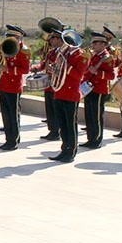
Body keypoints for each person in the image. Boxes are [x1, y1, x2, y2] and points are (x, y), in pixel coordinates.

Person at [48, 29, 88, 163]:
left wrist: (65, 65)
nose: (68, 44)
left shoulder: (82, 56)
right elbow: (58, 69)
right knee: (62, 124)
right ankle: (64, 149)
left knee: (70, 125)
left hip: (71, 93)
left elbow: (78, 74)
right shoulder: (62, 53)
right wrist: (54, 67)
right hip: (60, 92)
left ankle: (71, 151)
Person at [0, 25, 30, 150]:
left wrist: (8, 69)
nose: (8, 39)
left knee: (13, 115)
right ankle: (8, 139)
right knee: (5, 115)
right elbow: (1, 60)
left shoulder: (23, 50)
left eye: (11, 37)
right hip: (4, 84)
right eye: (7, 36)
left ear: (18, 37)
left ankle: (14, 140)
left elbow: (25, 69)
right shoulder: (4, 47)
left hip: (14, 86)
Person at [80, 32, 114, 149]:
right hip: (89, 89)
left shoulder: (107, 57)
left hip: (99, 89)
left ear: (103, 44)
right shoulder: (94, 56)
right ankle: (90, 138)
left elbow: (111, 76)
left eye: (95, 43)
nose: (93, 45)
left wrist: (97, 72)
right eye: (93, 42)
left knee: (97, 116)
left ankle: (97, 139)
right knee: (89, 115)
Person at [32, 29, 64, 141]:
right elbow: (44, 63)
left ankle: (57, 131)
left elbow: (64, 68)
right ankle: (52, 130)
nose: (51, 40)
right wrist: (36, 68)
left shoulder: (63, 53)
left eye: (53, 38)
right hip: (49, 85)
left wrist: (53, 68)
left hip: (57, 85)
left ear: (60, 39)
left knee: (56, 109)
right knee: (49, 108)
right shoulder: (52, 52)